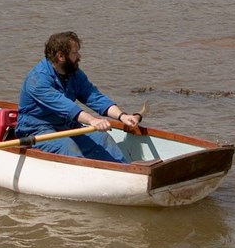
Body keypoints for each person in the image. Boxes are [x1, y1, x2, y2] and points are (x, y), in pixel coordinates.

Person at [15, 31, 142, 163]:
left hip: (66, 125)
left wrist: (122, 116)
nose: (79, 56)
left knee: (102, 138)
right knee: (67, 146)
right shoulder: (37, 80)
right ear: (61, 56)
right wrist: (93, 120)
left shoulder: (73, 73)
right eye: (75, 53)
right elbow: (67, 107)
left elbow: (94, 97)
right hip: (36, 129)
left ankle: (124, 170)